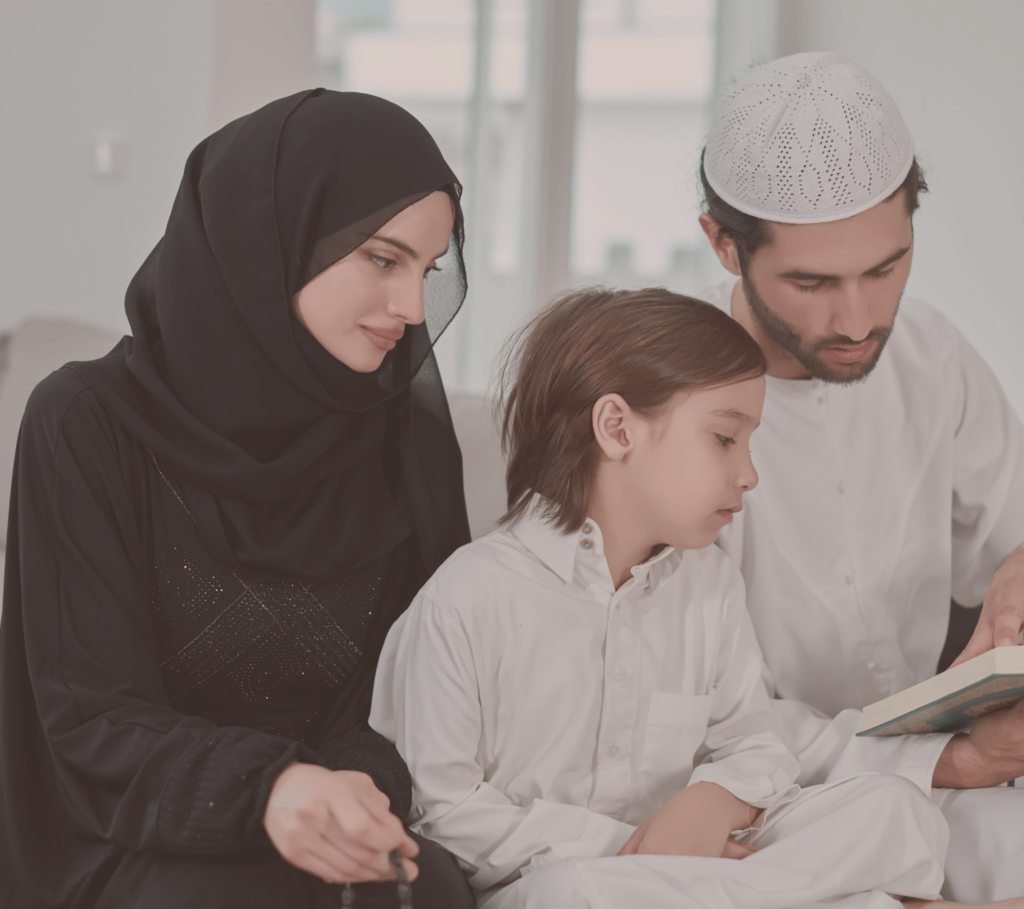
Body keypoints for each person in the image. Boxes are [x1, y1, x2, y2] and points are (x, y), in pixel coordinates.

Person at [0, 89, 477, 909]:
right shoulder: (83, 422)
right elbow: (89, 711)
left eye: (427, 271)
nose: (410, 308)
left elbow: (420, 687)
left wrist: (351, 791)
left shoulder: (407, 438)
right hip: (122, 833)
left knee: (425, 889)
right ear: (270, 242)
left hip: (330, 821)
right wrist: (268, 791)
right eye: (381, 258)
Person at [370, 288, 957, 909]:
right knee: (573, 896)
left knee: (895, 809)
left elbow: (754, 744)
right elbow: (440, 811)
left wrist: (716, 800)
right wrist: (637, 850)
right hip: (566, 881)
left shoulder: (710, 586)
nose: (750, 474)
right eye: (726, 439)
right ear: (617, 428)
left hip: (704, 870)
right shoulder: (467, 598)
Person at [696, 51, 1024, 901]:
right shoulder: (667, 404)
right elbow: (691, 713)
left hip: (955, 776)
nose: (859, 320)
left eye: (886, 268)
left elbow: (1013, 531)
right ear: (724, 245)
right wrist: (943, 758)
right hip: (763, 798)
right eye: (811, 282)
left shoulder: (932, 353)